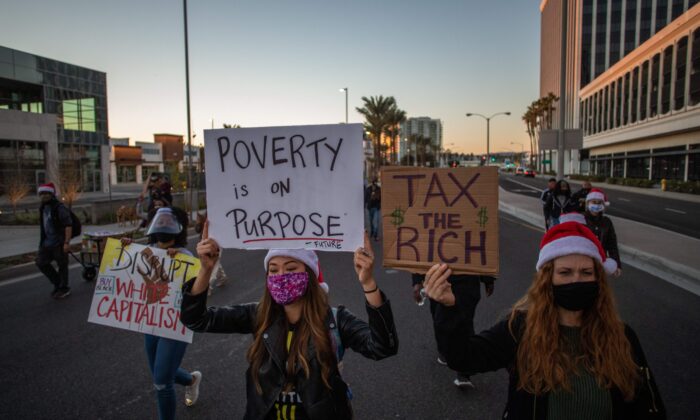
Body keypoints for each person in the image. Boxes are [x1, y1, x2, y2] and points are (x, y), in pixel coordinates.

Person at [423, 222, 665, 419]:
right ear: (547, 279)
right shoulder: (520, 328)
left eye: (586, 273)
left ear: (598, 280)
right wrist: (449, 308)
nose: (576, 280)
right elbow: (463, 357)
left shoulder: (623, 337)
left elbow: (648, 406)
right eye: (565, 272)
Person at [181, 224, 398, 419]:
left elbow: (382, 347)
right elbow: (196, 320)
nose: (281, 276)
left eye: (292, 269)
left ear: (309, 275)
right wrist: (205, 270)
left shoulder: (335, 321)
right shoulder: (258, 315)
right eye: (273, 270)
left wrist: (368, 283)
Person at [122, 207, 202, 420]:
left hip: (174, 326)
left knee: (161, 382)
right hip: (151, 323)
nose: (164, 225)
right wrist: (126, 250)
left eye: (169, 221)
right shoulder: (145, 250)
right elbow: (128, 273)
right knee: (161, 372)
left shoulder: (186, 256)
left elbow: (196, 291)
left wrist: (178, 263)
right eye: (161, 221)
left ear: (177, 227)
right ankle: (191, 380)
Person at [412, 273, 494, 388]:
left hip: (466, 281)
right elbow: (423, 255)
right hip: (438, 279)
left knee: (465, 321)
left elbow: (483, 255)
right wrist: (417, 281)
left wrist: (488, 278)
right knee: (439, 320)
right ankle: (444, 349)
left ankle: (464, 372)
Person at [36, 182, 73, 299]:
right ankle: (58, 282)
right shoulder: (42, 208)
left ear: (52, 194)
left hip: (59, 243)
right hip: (46, 243)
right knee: (40, 262)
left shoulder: (59, 208)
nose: (44, 196)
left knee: (62, 265)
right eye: (41, 193)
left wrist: (66, 242)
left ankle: (63, 288)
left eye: (46, 193)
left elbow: (68, 224)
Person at [585, 188, 622, 277]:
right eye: (594, 202)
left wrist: (616, 264)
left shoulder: (607, 221)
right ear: (588, 203)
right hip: (584, 262)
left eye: (599, 203)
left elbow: (612, 244)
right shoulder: (581, 220)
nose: (596, 205)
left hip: (601, 262)